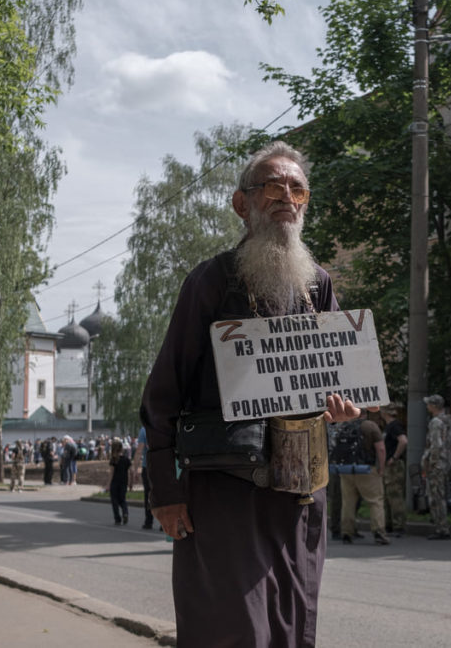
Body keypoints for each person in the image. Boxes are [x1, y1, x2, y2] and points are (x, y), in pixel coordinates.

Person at [140, 140, 365, 647]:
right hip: (226, 488)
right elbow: (162, 394)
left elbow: (334, 379)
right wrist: (166, 492)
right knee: (233, 626)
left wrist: (343, 405)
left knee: (291, 622)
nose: (287, 195)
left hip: (300, 487)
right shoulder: (212, 281)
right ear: (243, 204)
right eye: (272, 185)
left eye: (298, 188)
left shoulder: (319, 285)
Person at [339, 412, 390, 546]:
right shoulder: (371, 426)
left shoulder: (345, 426)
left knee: (348, 502)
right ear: (364, 413)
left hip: (346, 469)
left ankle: (346, 532)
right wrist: (381, 467)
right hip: (367, 469)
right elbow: (381, 449)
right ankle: (379, 531)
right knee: (375, 501)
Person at [421, 394, 451, 540]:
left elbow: (436, 445)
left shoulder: (435, 422)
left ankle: (441, 527)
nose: (427, 406)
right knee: (441, 494)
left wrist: (430, 462)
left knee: (436, 496)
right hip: (445, 462)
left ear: (434, 406)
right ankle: (441, 525)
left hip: (437, 464)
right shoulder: (446, 420)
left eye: (429, 404)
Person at [382, 405, 408, 537]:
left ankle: (399, 526)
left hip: (394, 466)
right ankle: (389, 525)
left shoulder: (394, 426)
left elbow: (403, 441)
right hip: (388, 465)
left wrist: (394, 457)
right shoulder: (389, 426)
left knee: (395, 495)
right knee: (387, 496)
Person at [132, 426, 153, 529]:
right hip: (163, 467)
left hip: (148, 467)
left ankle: (149, 521)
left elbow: (139, 451)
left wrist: (135, 470)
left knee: (148, 495)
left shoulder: (144, 430)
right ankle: (164, 523)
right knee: (163, 493)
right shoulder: (163, 426)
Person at [109, 439, 131, 525]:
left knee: (114, 501)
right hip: (124, 482)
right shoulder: (126, 459)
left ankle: (117, 519)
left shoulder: (113, 460)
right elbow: (130, 472)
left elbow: (111, 473)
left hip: (115, 482)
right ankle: (125, 512)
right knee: (122, 499)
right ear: (121, 448)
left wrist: (108, 484)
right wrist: (130, 483)